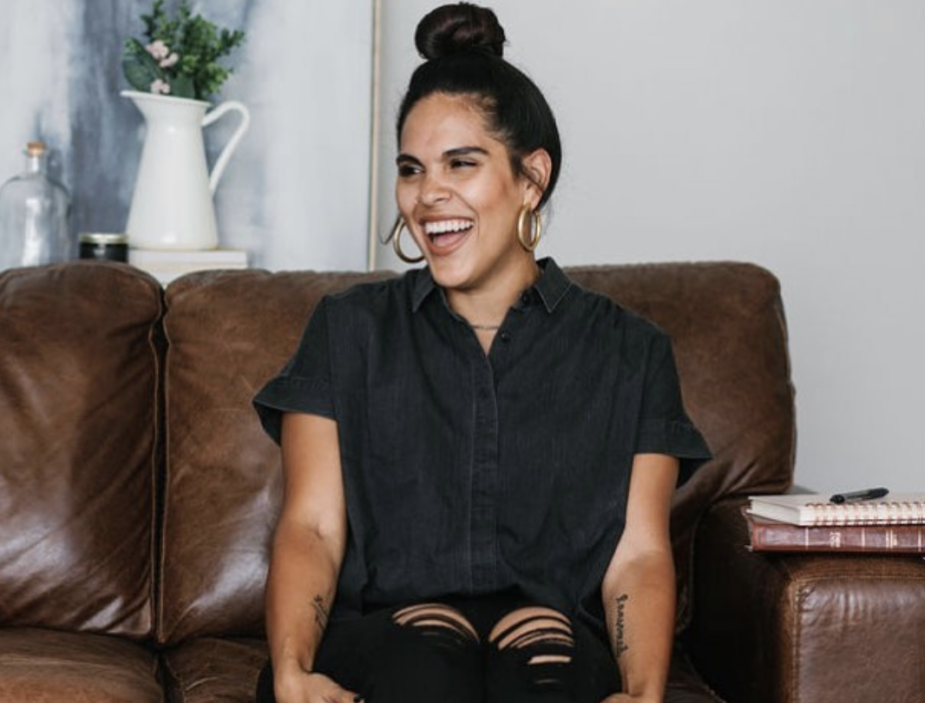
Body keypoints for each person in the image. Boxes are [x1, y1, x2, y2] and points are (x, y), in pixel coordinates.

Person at [253, 4, 711, 702]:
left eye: (460, 163)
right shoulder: (348, 330)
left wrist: (643, 693)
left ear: (531, 178)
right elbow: (312, 528)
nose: (428, 195)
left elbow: (640, 555)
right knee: (426, 671)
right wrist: (291, 672)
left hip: (553, 644)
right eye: (411, 169)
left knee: (546, 669)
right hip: (386, 643)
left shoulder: (632, 352)